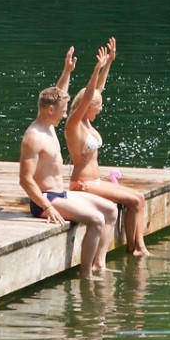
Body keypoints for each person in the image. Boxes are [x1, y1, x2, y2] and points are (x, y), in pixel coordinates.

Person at [19, 46, 118, 277]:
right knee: (95, 219)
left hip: (60, 194)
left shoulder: (49, 126)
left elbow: (59, 91)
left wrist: (67, 71)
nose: (65, 116)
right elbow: (25, 180)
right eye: (62, 111)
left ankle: (99, 265)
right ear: (51, 109)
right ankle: (86, 276)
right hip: (45, 199)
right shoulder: (34, 137)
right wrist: (48, 207)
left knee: (110, 210)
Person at [66, 37, 151, 256]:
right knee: (133, 200)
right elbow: (88, 97)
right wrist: (96, 69)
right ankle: (136, 248)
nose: (101, 109)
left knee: (139, 198)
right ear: (86, 107)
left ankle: (138, 247)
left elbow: (97, 90)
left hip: (95, 181)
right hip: (82, 184)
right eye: (98, 106)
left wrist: (110, 61)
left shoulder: (88, 123)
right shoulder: (74, 126)